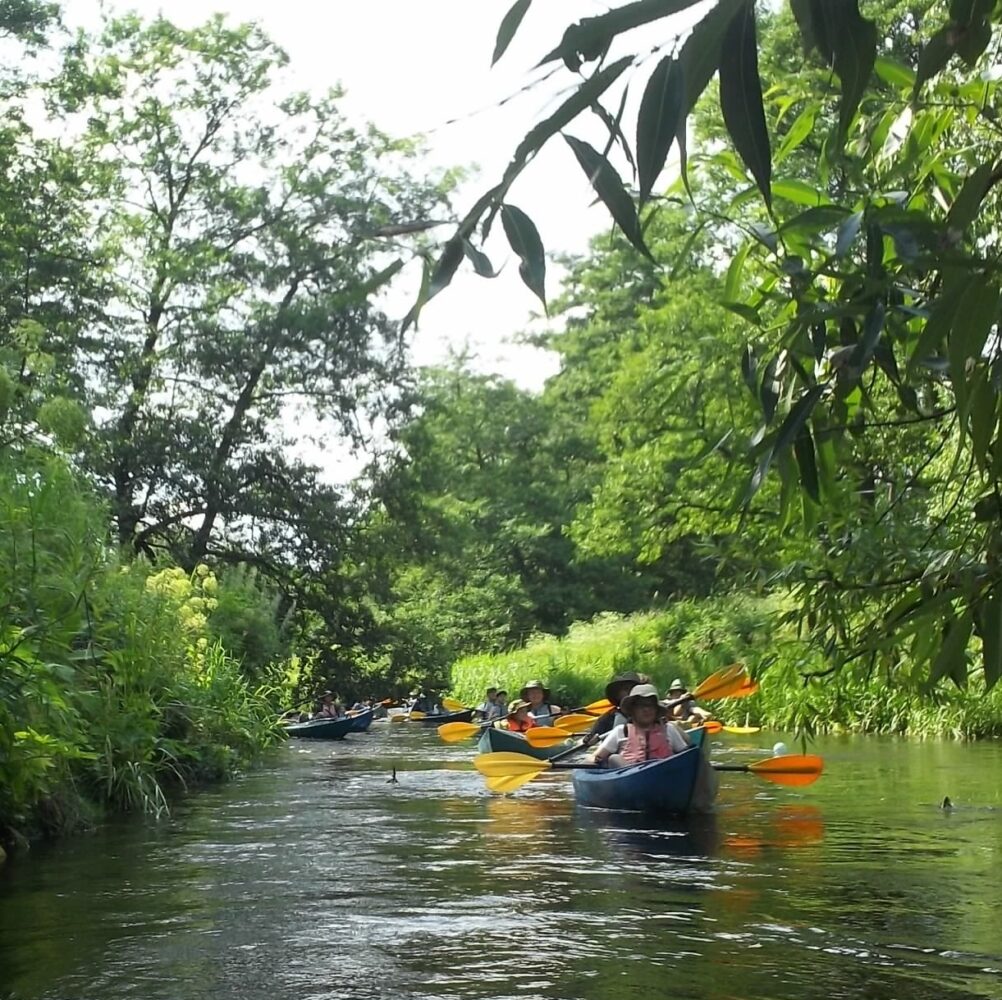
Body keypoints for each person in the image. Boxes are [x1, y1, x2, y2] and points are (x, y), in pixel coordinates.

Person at [593, 683, 691, 768]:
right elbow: (596, 757)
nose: (646, 710)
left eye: (650, 705)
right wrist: (589, 763)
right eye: (641, 705)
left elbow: (687, 756)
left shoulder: (668, 729)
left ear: (656, 709)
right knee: (614, 758)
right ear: (632, 710)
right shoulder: (622, 731)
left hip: (664, 775)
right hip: (630, 779)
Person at [582, 671, 647, 748]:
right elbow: (592, 736)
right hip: (616, 753)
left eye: (633, 688)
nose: (630, 692)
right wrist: (588, 739)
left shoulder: (649, 711)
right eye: (626, 689)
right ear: (617, 695)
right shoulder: (607, 718)